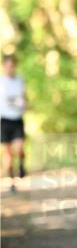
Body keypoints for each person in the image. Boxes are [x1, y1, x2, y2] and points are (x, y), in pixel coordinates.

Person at [1, 53, 27, 192]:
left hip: (17, 118)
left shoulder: (20, 80)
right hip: (4, 120)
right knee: (8, 153)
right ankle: (12, 180)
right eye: (8, 66)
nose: (10, 68)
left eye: (12, 66)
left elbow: (24, 96)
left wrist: (26, 104)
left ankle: (22, 164)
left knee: (19, 147)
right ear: (4, 66)